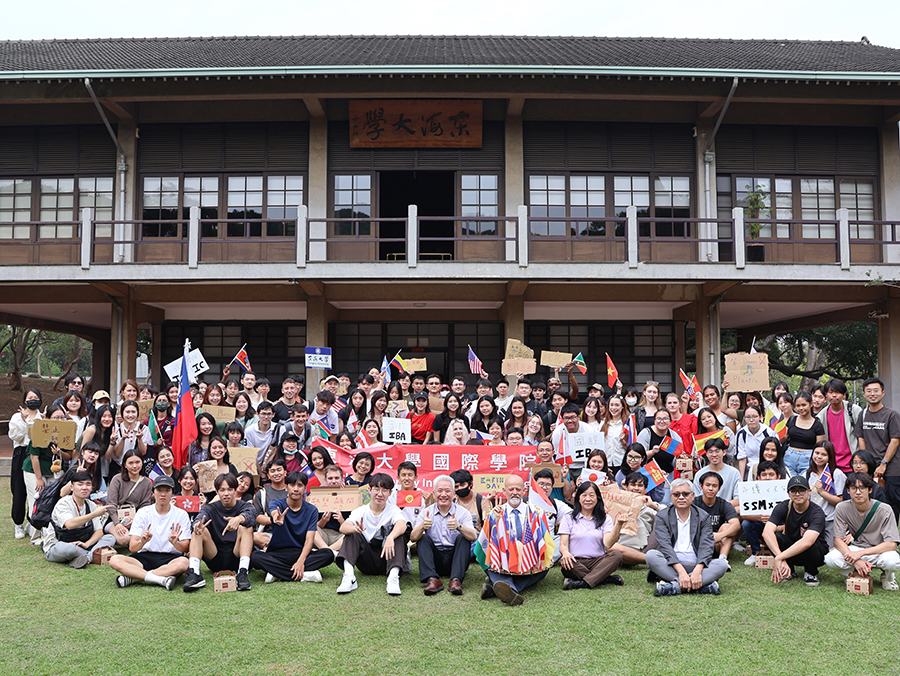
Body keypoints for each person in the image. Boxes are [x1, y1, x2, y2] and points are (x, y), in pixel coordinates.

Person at [476, 474, 554, 606]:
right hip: (502, 561)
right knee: (491, 566)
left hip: (528, 562)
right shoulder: (496, 513)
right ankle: (510, 589)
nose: (515, 493)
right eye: (511, 489)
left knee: (543, 569)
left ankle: (496, 589)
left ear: (524, 491)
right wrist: (494, 520)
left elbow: (543, 542)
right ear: (504, 491)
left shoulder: (535, 512)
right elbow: (484, 545)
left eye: (518, 489)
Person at [250, 471, 337, 583]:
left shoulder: (312, 510)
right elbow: (274, 514)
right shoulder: (277, 503)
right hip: (278, 553)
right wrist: (275, 518)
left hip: (300, 552)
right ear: (286, 488)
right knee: (255, 557)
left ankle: (277, 573)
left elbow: (309, 540)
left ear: (305, 489)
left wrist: (300, 561)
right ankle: (305, 575)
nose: (296, 489)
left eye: (300, 485)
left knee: (328, 554)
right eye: (292, 485)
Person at [108, 475, 191, 590]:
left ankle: (135, 577)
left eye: (167, 490)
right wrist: (142, 541)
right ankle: (159, 579)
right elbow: (132, 547)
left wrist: (175, 542)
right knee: (114, 560)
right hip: (144, 557)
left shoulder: (181, 514)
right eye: (159, 490)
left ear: (173, 492)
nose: (163, 494)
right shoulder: (143, 512)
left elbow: (185, 548)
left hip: (171, 558)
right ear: (153, 492)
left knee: (183, 563)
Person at [647, 478, 727, 596]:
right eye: (676, 494)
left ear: (693, 495)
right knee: (651, 556)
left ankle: (674, 586)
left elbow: (707, 545)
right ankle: (700, 586)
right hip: (671, 565)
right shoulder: (662, 516)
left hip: (697, 565)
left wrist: (698, 570)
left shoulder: (703, 516)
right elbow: (665, 546)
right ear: (671, 496)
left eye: (685, 494)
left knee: (722, 564)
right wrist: (681, 572)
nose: (681, 497)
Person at [824, 472, 900, 591]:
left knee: (892, 561)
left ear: (870, 490)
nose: (858, 492)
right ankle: (855, 574)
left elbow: (891, 544)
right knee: (830, 558)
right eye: (853, 488)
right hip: (857, 547)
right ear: (848, 491)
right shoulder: (842, 507)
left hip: (879, 550)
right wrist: (856, 561)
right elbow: (838, 540)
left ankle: (888, 576)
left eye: (862, 488)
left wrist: (860, 554)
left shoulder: (884, 509)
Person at [336, 472, 408, 596]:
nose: (380, 494)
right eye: (376, 489)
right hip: (366, 561)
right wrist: (355, 528)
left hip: (387, 558)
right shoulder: (361, 510)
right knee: (351, 534)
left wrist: (391, 537)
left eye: (384, 490)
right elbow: (343, 527)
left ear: (390, 493)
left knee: (398, 535)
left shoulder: (393, 509)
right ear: (369, 490)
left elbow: (402, 525)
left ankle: (393, 578)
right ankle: (349, 577)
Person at [182, 473, 256, 592]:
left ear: (235, 490)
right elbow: (200, 517)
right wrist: (197, 525)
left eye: (229, 489)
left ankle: (243, 572)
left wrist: (238, 519)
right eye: (222, 490)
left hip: (236, 554)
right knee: (199, 529)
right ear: (217, 491)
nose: (226, 493)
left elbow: (251, 515)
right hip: (214, 556)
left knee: (246, 526)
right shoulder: (210, 508)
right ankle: (194, 573)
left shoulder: (244, 505)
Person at [410, 474, 477, 595]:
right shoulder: (426, 513)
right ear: (434, 494)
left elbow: (473, 537)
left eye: (447, 491)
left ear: (454, 493)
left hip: (455, 560)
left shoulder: (463, 513)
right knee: (423, 537)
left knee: (463, 537)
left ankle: (456, 581)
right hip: (435, 561)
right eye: (439, 491)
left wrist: (459, 527)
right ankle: (432, 579)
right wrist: (422, 527)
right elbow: (413, 538)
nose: (443, 494)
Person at [762, 475, 829, 586]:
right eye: (793, 491)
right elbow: (766, 532)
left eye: (801, 490)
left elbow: (808, 541)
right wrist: (781, 557)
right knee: (775, 536)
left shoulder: (817, 512)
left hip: (815, 554)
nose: (797, 494)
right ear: (788, 494)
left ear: (809, 491)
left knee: (809, 542)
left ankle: (810, 573)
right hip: (791, 552)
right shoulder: (783, 506)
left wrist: (778, 557)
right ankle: (788, 569)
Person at [41, 470, 117, 568]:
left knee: (110, 538)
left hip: (83, 543)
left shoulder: (91, 505)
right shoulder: (63, 503)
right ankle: (94, 554)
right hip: (60, 544)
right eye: (80, 484)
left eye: (88, 484)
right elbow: (69, 525)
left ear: (91, 488)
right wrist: (93, 514)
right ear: (72, 487)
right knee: (70, 549)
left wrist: (86, 544)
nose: (84, 487)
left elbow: (99, 531)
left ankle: (87, 558)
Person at [558, 481, 626, 589]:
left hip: (598, 561)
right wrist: (565, 552)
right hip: (576, 562)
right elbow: (563, 544)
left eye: (591, 495)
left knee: (616, 555)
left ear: (598, 498)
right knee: (567, 564)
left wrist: (619, 524)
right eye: (584, 495)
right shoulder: (568, 518)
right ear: (578, 498)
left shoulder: (605, 518)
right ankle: (604, 579)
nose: (588, 499)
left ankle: (581, 583)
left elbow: (608, 544)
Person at [855, 377, 900, 521]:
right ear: (864, 394)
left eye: (876, 390)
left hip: (891, 465)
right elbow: (860, 437)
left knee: (892, 500)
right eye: (868, 391)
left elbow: (895, 440)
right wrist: (865, 461)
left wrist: (883, 463)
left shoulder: (891, 414)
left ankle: (891, 537)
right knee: (872, 498)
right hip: (871, 464)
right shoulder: (863, 414)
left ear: (883, 393)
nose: (872, 394)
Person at [9, 388, 43, 539]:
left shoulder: (43, 417)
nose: (33, 400)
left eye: (36, 397)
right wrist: (24, 421)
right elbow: (15, 436)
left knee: (35, 491)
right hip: (21, 453)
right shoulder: (17, 417)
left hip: (37, 455)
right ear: (24, 400)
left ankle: (32, 522)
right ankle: (18, 524)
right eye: (30, 397)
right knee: (19, 490)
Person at [610, 472, 662, 565]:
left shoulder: (650, 506)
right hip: (624, 547)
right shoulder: (617, 504)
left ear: (645, 489)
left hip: (646, 547)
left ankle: (645, 557)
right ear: (626, 486)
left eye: (640, 485)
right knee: (613, 548)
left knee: (663, 521)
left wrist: (654, 506)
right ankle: (648, 560)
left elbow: (671, 514)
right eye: (633, 485)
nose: (636, 488)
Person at [105, 450, 154, 546]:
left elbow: (145, 505)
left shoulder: (147, 482)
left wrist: (134, 520)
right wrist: (117, 523)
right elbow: (111, 504)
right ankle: (109, 535)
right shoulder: (117, 479)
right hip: (114, 519)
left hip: (135, 519)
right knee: (125, 539)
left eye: (137, 462)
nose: (135, 466)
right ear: (125, 465)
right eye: (130, 463)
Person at [741, 460, 783, 567]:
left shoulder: (784, 491)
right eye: (764, 475)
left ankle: (779, 553)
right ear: (758, 477)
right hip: (760, 524)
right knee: (746, 523)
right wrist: (760, 518)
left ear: (778, 476)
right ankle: (756, 553)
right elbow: (744, 514)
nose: (767, 477)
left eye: (771, 474)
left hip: (778, 527)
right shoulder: (751, 491)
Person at [695, 471, 741, 566]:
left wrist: (720, 536)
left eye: (714, 486)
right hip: (698, 543)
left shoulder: (724, 504)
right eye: (707, 485)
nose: (710, 488)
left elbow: (736, 525)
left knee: (726, 526)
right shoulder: (694, 503)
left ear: (719, 488)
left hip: (717, 543)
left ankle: (722, 559)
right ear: (701, 486)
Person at [818, 378, 862, 474]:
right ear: (826, 394)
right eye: (831, 392)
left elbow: (862, 436)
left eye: (838, 392)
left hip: (852, 465)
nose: (834, 395)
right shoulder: (821, 416)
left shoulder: (854, 411)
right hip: (831, 466)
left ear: (843, 394)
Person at [806, 441, 846, 542]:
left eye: (824, 454)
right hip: (813, 519)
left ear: (830, 456)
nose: (819, 457)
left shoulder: (836, 474)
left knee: (829, 551)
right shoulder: (808, 474)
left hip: (831, 519)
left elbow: (841, 501)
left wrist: (822, 492)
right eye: (817, 453)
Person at [532, 468, 572, 564]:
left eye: (548, 485)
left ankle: (548, 559)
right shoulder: (525, 502)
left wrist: (564, 522)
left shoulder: (555, 503)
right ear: (534, 485)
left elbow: (573, 515)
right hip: (528, 542)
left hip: (549, 542)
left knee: (569, 537)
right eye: (541, 484)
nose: (544, 487)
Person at [784, 392, 825, 477]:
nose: (801, 408)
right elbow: (784, 438)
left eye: (804, 405)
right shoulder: (792, 420)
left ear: (811, 404)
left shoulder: (818, 425)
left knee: (804, 486)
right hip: (789, 457)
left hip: (808, 459)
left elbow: (819, 448)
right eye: (798, 406)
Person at [693, 438, 741, 507]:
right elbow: (696, 499)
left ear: (724, 452)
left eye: (717, 451)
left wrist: (719, 507)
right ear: (706, 454)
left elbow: (738, 499)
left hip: (727, 510)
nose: (714, 454)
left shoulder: (734, 473)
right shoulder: (699, 474)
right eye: (710, 451)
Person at [736, 405, 775, 480]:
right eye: (748, 417)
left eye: (754, 416)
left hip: (767, 469)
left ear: (760, 417)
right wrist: (741, 480)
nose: (751, 420)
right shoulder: (741, 434)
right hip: (749, 469)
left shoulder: (768, 432)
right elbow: (742, 458)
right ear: (744, 418)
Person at [315, 464, 347, 551]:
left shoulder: (349, 497)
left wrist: (341, 520)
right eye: (330, 478)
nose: (333, 481)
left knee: (354, 535)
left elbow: (351, 527)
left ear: (342, 479)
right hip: (323, 535)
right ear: (325, 481)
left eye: (337, 478)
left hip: (340, 536)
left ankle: (326, 552)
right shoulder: (318, 497)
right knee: (309, 528)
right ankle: (328, 551)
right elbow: (316, 525)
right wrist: (324, 520)